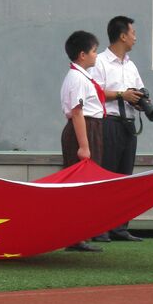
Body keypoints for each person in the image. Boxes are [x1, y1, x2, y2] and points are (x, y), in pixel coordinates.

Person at [91, 15, 145, 242]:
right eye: (132, 33)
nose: (135, 37)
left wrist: (141, 100)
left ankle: (120, 227)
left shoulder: (130, 65)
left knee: (125, 177)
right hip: (109, 123)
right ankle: (100, 228)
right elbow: (94, 92)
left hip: (129, 125)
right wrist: (123, 95)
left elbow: (140, 90)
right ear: (122, 36)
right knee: (106, 177)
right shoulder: (100, 62)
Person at [60, 30, 105, 254]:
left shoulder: (82, 76)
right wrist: (84, 146)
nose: (97, 55)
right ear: (82, 55)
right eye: (94, 51)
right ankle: (73, 237)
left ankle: (78, 236)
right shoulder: (77, 78)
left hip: (90, 128)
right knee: (77, 185)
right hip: (83, 129)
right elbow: (77, 112)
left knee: (85, 185)